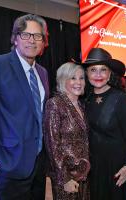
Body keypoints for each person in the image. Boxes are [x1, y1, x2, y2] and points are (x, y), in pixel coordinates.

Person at [0, 14, 50, 200]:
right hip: (9, 165)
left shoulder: (42, 73)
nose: (32, 40)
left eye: (37, 36)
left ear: (43, 42)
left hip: (38, 165)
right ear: (15, 38)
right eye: (25, 34)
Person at [84, 48, 126, 200]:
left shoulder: (119, 98)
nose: (98, 75)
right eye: (93, 70)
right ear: (87, 74)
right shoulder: (85, 98)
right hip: (92, 163)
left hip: (115, 164)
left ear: (110, 73)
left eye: (103, 70)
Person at [45, 62, 89, 200]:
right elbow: (52, 144)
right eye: (73, 78)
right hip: (66, 175)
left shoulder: (81, 105)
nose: (78, 82)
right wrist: (65, 178)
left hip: (84, 173)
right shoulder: (55, 104)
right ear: (63, 80)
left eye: (81, 78)